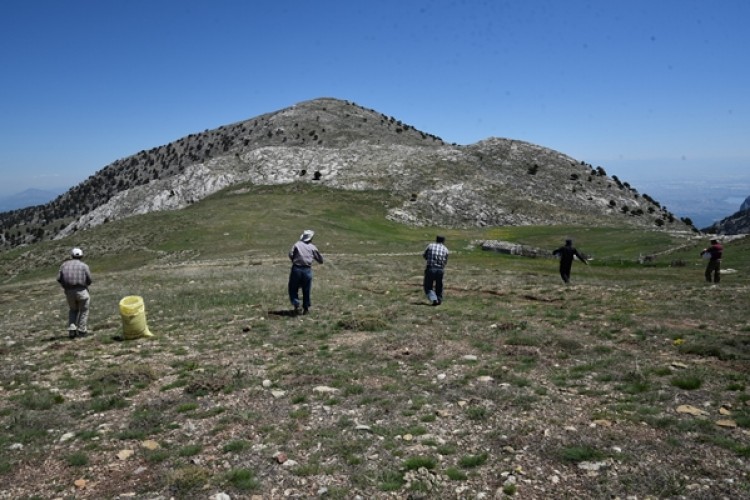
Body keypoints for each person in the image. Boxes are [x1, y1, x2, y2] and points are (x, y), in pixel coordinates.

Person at [57, 247, 93, 338]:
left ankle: (72, 330)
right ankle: (81, 330)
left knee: (73, 310)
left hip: (69, 291)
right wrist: (85, 285)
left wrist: (65, 286)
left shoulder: (64, 265)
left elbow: (59, 278)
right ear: (81, 256)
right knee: (84, 310)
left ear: (71, 255)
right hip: (82, 290)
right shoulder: (84, 266)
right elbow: (89, 280)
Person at [288, 229, 324, 315]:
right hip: (307, 270)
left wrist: (294, 260)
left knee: (293, 287)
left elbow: (290, 254)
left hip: (296, 268)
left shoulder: (297, 244)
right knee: (306, 289)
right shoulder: (313, 247)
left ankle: (296, 303)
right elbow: (320, 259)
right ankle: (306, 308)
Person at [423, 235, 449, 305]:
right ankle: (439, 299)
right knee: (439, 285)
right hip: (440, 269)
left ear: (436, 239)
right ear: (443, 241)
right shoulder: (445, 249)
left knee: (428, 286)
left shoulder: (430, 246)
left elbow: (425, 255)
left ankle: (434, 299)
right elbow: (445, 261)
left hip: (431, 268)